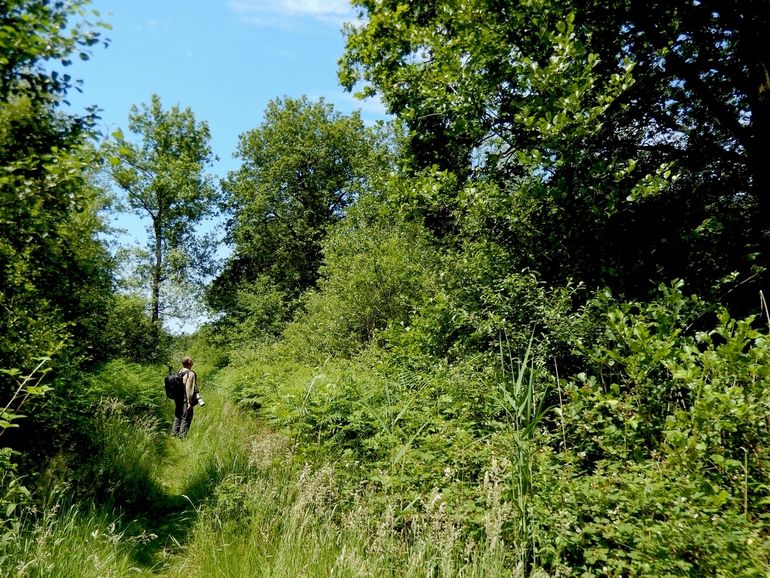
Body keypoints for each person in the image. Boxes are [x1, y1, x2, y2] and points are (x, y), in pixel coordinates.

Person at [171, 356, 197, 437]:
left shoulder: (180, 371)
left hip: (178, 398)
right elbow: (189, 389)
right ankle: (182, 437)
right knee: (186, 417)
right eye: (191, 359)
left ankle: (173, 434)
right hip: (185, 399)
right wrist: (189, 402)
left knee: (178, 415)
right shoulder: (191, 373)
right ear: (189, 362)